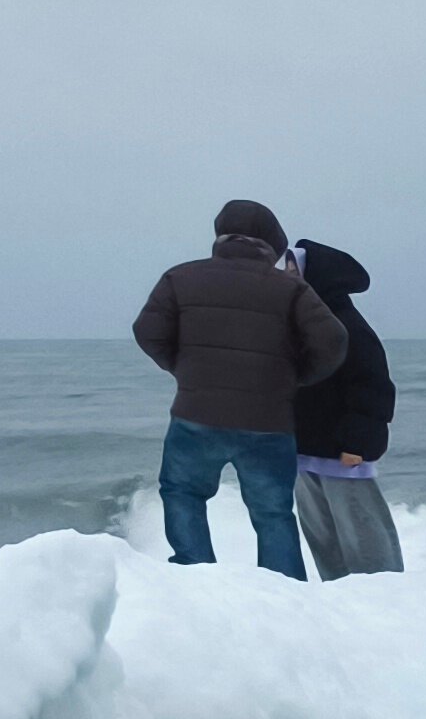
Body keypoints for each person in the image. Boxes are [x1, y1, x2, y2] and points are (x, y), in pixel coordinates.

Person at [132, 198, 344, 579]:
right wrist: (294, 378)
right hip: (269, 422)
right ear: (271, 245)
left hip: (196, 416)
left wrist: (183, 368)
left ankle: (195, 575)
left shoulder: (180, 278)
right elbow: (333, 341)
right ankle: (285, 590)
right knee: (272, 511)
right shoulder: (290, 289)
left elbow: (146, 331)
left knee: (184, 494)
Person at [289, 238, 405, 577]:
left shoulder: (347, 324)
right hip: (304, 450)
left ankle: (386, 592)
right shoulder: (300, 324)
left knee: (363, 533)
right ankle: (338, 595)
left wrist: (358, 444)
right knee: (323, 534)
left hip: (343, 453)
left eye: (292, 268)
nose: (285, 274)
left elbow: (373, 387)